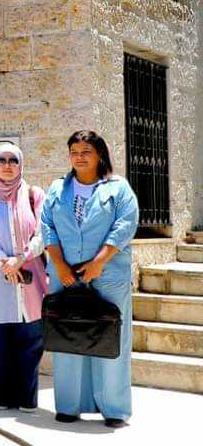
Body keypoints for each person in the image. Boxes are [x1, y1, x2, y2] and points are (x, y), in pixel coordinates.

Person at [40, 130, 138, 428]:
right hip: (65, 275)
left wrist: (99, 262)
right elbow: (47, 227)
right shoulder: (58, 188)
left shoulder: (118, 188)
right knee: (68, 334)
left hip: (108, 274)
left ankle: (115, 408)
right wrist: (59, 265)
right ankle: (69, 405)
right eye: (74, 152)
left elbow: (125, 225)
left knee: (111, 336)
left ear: (99, 155)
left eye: (86, 152)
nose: (79, 157)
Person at [0, 143, 48, 412]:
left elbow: (42, 233)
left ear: (21, 164)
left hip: (29, 277)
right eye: (1, 160)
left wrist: (22, 258)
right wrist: (5, 263)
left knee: (31, 342)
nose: (7, 165)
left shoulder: (34, 195)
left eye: (13, 160)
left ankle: (26, 399)